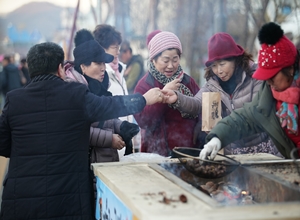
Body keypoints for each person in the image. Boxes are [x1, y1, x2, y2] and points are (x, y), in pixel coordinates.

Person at [0, 41, 163, 219]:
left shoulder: (14, 100)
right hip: (68, 199)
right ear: (60, 68)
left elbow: (3, 145)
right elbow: (110, 106)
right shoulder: (76, 94)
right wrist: (144, 99)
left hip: (22, 201)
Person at [163, 32, 279, 156]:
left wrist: (222, 130)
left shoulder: (255, 76)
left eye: (223, 64)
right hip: (233, 151)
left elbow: (257, 113)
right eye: (214, 66)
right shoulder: (213, 84)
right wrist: (177, 98)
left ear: (235, 60)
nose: (219, 71)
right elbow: (196, 104)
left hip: (263, 148)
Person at [198, 22, 300, 160]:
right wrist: (218, 137)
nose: (268, 82)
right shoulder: (269, 93)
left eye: (272, 76)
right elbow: (245, 118)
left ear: (290, 69)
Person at [64, 28, 139, 162]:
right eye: (98, 63)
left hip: (106, 158)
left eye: (104, 63)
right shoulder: (72, 90)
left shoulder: (101, 85)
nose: (103, 68)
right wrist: (109, 139)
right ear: (83, 67)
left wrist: (121, 126)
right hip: (85, 163)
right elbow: (78, 129)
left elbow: (103, 119)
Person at [133, 31, 201, 156]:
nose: (171, 66)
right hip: (156, 153)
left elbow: (200, 109)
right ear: (153, 60)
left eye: (175, 60)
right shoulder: (144, 85)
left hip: (188, 152)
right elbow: (144, 121)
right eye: (165, 60)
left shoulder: (187, 81)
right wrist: (163, 94)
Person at [93, 24, 135, 156]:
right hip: (110, 144)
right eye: (114, 48)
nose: (118, 52)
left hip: (125, 139)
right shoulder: (101, 75)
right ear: (102, 49)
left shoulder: (121, 70)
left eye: (119, 47)